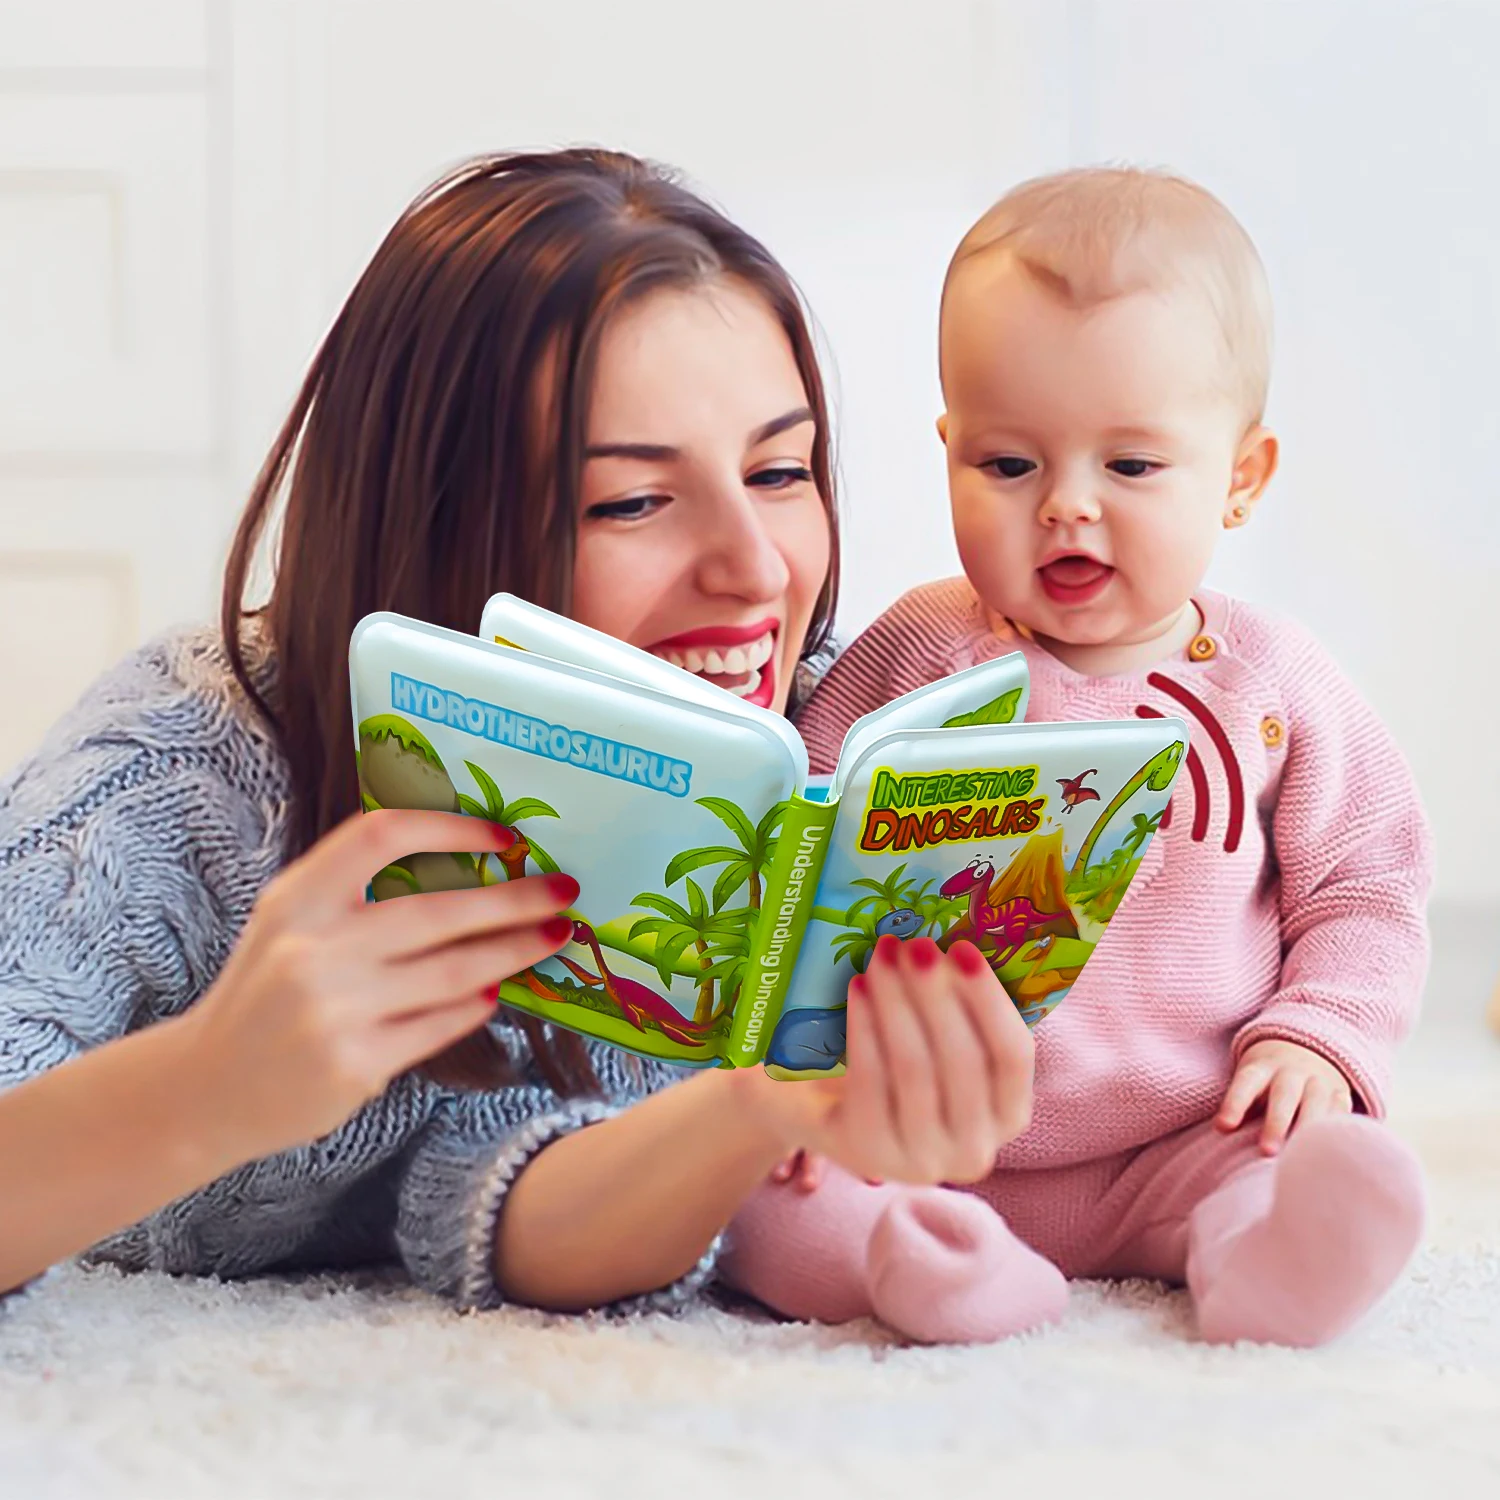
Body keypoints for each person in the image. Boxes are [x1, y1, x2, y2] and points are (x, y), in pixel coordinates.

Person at [0, 149, 1035, 1310]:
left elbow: (508, 1208)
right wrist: (211, 1084)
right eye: (631, 501)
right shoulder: (175, 779)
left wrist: (767, 1104)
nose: (753, 568)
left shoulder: (821, 762)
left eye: (781, 470)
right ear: (436, 519)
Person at [719, 167, 1431, 1348]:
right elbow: (792, 857)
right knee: (762, 1205)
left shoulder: (1275, 686)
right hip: (919, 1137)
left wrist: (1320, 1036)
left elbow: (1369, 883)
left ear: (1240, 478)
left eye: (1132, 467)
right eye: (1010, 465)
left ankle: (1265, 1259)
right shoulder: (913, 651)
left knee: (1278, 1155)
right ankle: (928, 1268)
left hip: (1181, 1133)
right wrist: (795, 1075)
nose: (1067, 508)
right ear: (951, 450)